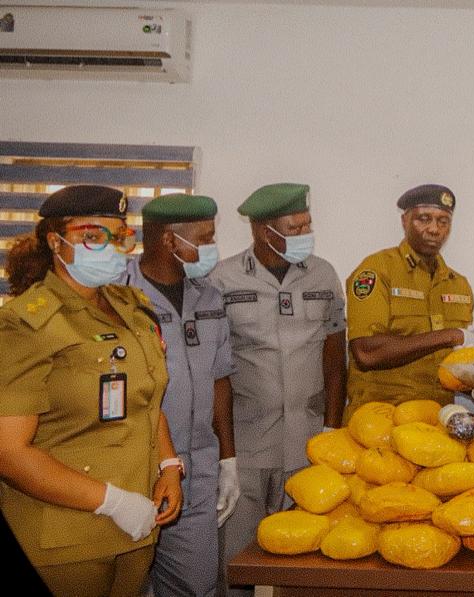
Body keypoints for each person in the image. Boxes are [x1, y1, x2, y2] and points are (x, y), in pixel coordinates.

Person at [0, 185, 181, 596]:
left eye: (119, 236)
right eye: (93, 235)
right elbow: (8, 453)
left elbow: (145, 400)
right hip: (66, 538)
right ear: (55, 241)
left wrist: (170, 467)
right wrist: (112, 502)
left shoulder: (129, 306)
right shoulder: (25, 324)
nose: (111, 247)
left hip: (136, 528)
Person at [209, 183, 346, 596]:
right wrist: (225, 456)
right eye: (296, 226)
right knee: (235, 567)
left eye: (308, 224)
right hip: (246, 448)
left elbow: (335, 355)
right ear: (265, 231)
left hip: (307, 447)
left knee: (303, 571)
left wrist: (331, 430)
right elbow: (213, 370)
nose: (306, 232)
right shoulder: (223, 278)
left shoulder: (323, 274)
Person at [121, 193, 238, 597]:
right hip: (133, 468)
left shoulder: (209, 297)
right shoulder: (117, 295)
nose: (211, 248)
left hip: (197, 470)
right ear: (170, 241)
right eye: (204, 239)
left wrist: (228, 459)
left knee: (197, 586)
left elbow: (220, 380)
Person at [345, 184, 474, 418]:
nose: (434, 229)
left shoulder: (459, 285)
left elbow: (454, 360)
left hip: (436, 419)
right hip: (380, 419)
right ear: (404, 221)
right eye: (424, 219)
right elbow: (366, 353)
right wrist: (450, 335)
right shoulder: (377, 270)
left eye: (443, 221)